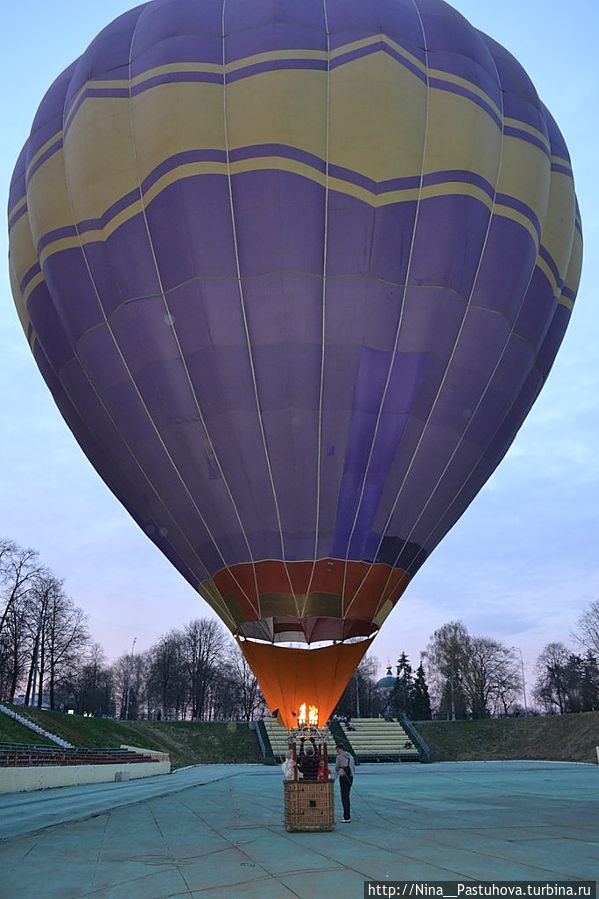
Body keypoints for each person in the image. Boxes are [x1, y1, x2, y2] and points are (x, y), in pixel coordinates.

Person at [335, 744, 356, 823]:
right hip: (350, 776)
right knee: (347, 795)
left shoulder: (339, 757)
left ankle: (346, 816)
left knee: (344, 796)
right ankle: (347, 815)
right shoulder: (350, 756)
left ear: (339, 749)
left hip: (343, 776)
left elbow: (337, 767)